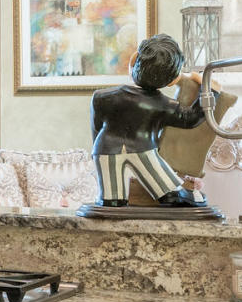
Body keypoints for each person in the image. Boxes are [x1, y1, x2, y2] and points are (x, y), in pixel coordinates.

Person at [86, 34, 215, 213]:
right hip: (143, 150)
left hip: (105, 150)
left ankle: (112, 199)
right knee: (168, 190)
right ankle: (172, 193)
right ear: (172, 81)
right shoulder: (163, 104)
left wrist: (96, 154)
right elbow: (191, 119)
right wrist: (210, 91)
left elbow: (97, 129)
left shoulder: (101, 96)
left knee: (111, 200)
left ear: (134, 59)